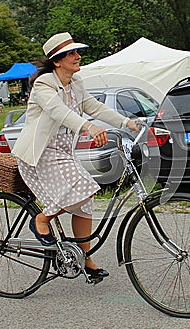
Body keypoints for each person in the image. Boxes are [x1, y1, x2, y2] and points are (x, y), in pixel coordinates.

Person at [12, 32, 138, 278]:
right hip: (40, 155)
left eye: (77, 52)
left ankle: (85, 259)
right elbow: (59, 112)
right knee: (83, 188)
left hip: (62, 154)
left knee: (85, 202)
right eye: (71, 53)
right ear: (57, 61)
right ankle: (42, 219)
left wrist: (127, 122)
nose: (78, 56)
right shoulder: (43, 84)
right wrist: (88, 127)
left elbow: (94, 107)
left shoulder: (76, 83)